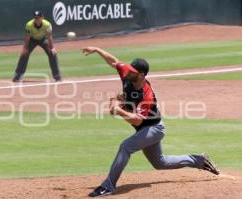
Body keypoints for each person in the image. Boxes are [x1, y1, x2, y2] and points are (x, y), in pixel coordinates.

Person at [82, 47, 219, 197]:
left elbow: (137, 120)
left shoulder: (146, 95)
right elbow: (114, 62)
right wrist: (97, 50)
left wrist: (118, 110)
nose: (127, 71)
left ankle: (108, 186)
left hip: (154, 129)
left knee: (126, 147)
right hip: (144, 130)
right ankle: (199, 160)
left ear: (141, 75)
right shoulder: (128, 75)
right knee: (161, 163)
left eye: (132, 70)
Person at [13, 10, 61, 82]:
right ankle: (18, 75)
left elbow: (49, 37)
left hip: (43, 39)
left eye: (38, 18)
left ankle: (57, 76)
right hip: (32, 40)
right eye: (35, 18)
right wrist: (25, 48)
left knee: (52, 53)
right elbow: (27, 37)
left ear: (42, 18)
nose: (37, 20)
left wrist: (52, 48)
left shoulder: (47, 25)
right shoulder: (29, 25)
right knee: (24, 54)